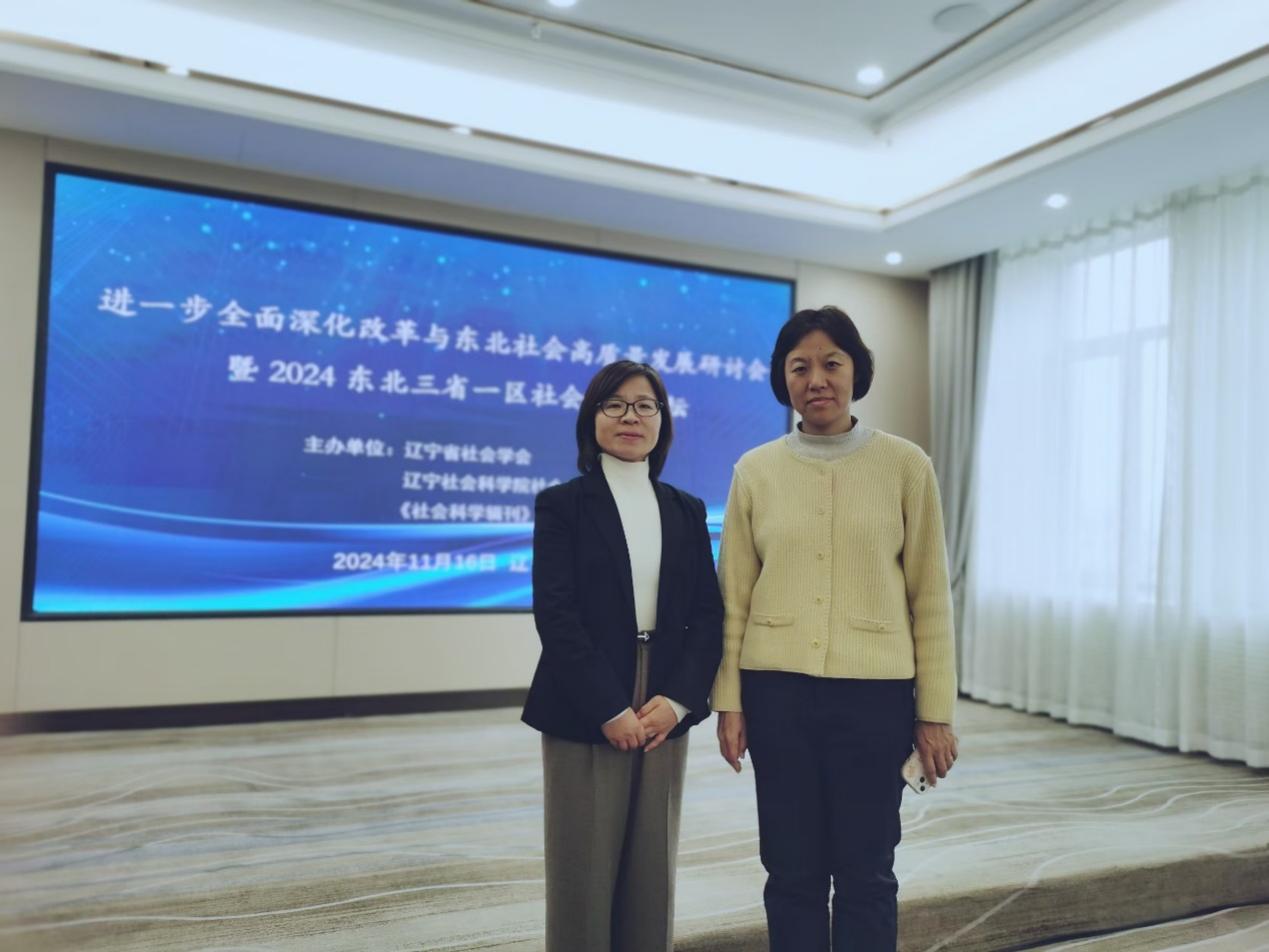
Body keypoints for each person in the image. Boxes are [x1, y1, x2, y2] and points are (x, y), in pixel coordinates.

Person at [712, 306, 959, 952]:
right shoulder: (754, 471)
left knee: (866, 871)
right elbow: (733, 599)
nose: (815, 379)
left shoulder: (906, 466)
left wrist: (934, 712)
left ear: (856, 372)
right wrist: (729, 702)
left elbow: (930, 599)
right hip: (776, 696)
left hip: (874, 699)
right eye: (799, 367)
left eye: (831, 363)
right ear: (782, 379)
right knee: (790, 870)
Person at [522, 360, 724, 952]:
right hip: (588, 694)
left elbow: (707, 614)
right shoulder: (563, 504)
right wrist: (608, 707)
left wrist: (680, 701)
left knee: (651, 868)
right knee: (582, 866)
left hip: (664, 695)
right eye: (615, 404)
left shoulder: (686, 508)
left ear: (662, 421)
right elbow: (556, 614)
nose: (631, 417)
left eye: (645, 405)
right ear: (593, 418)